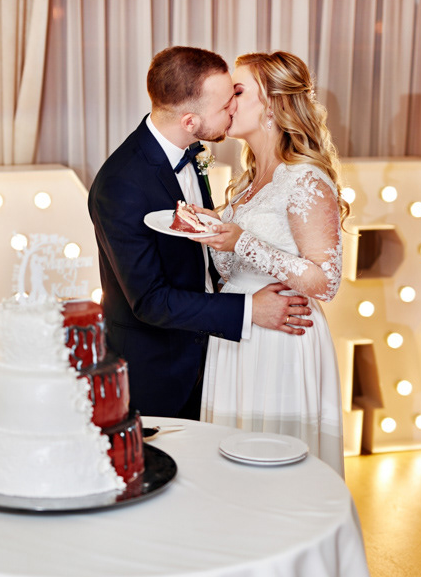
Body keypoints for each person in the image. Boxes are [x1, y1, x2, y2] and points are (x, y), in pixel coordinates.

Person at [88, 46, 313, 420]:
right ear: (190, 121)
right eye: (227, 103)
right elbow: (150, 301)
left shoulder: (191, 151)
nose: (233, 108)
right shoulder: (121, 184)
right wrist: (250, 309)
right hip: (156, 373)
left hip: (213, 358)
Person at [192, 51, 348, 476]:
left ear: (274, 105)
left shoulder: (305, 180)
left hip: (281, 342)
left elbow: (326, 281)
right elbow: (234, 274)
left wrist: (242, 241)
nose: (227, 102)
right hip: (238, 334)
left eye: (238, 92)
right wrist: (213, 232)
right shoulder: (246, 184)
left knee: (276, 471)